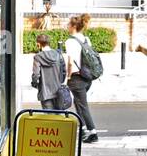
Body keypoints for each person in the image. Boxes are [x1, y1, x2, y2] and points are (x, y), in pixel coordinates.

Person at [65, 13, 99, 143]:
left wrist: (67, 78)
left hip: (76, 77)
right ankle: (84, 130)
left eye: (68, 24)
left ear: (74, 26)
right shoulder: (86, 39)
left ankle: (93, 132)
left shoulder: (70, 41)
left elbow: (70, 62)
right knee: (78, 103)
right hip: (87, 77)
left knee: (82, 105)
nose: (67, 27)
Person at [31, 33, 66, 110]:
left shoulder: (38, 57)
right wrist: (60, 82)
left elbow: (36, 74)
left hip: (45, 93)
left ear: (38, 44)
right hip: (58, 91)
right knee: (59, 116)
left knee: (49, 118)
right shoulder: (58, 54)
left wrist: (35, 84)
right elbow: (63, 71)